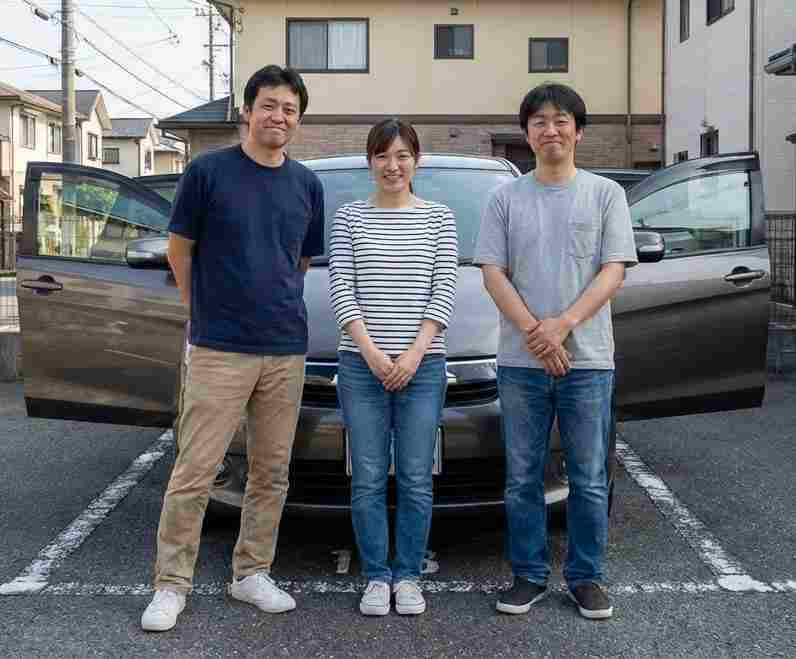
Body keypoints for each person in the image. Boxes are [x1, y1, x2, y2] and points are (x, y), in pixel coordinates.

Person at [141, 65, 324, 632]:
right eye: (268, 105)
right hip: (220, 346)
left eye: (290, 109)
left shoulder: (306, 184)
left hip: (285, 347)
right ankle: (171, 585)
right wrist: (204, 316)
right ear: (247, 111)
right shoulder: (208, 172)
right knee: (197, 469)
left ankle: (252, 573)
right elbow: (179, 251)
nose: (279, 117)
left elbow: (299, 261)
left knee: (271, 470)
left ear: (298, 119)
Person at [474, 83, 637, 620]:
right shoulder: (505, 197)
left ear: (578, 130)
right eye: (539, 121)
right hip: (521, 363)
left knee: (589, 476)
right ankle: (528, 575)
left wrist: (563, 324)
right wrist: (535, 333)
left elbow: (613, 269)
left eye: (561, 119)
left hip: (588, 361)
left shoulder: (605, 193)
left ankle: (587, 577)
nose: (551, 129)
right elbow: (493, 272)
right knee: (522, 475)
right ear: (526, 133)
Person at [328, 119, 458, 616]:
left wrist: (411, 355)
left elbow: (443, 291)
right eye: (382, 156)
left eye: (402, 155)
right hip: (362, 366)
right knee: (365, 475)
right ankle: (376, 577)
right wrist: (376, 355)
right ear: (370, 163)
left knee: (415, 475)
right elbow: (343, 291)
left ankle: (408, 576)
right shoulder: (349, 218)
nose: (393, 165)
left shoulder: (438, 219)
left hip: (422, 366)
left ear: (416, 161)